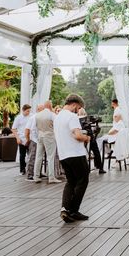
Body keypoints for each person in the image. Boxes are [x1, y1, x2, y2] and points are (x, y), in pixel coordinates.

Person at [55, 94, 91, 223]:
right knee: (83, 181)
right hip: (76, 154)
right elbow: (77, 136)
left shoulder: (57, 118)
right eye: (78, 108)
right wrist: (86, 138)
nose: (78, 110)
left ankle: (64, 209)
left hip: (63, 155)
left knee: (70, 182)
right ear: (74, 104)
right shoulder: (72, 116)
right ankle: (73, 210)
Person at [33, 101, 61, 184]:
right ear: (50, 106)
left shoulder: (37, 115)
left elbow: (35, 127)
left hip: (40, 136)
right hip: (49, 136)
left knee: (38, 156)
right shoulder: (52, 115)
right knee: (50, 157)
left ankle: (36, 176)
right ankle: (51, 177)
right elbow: (57, 125)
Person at [78, 108, 105, 174]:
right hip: (89, 138)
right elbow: (89, 130)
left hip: (81, 139)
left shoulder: (76, 119)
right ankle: (100, 167)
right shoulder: (86, 119)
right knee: (96, 151)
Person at [12, 104, 31, 175]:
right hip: (21, 139)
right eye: (27, 111)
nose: (28, 112)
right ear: (23, 110)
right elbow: (13, 129)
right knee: (22, 155)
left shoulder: (31, 116)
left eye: (29, 111)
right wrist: (17, 138)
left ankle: (30, 169)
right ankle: (22, 170)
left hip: (30, 138)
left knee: (31, 155)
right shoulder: (18, 118)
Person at [25, 104, 42, 181]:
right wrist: (28, 139)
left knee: (39, 157)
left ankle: (38, 173)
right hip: (34, 140)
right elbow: (27, 130)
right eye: (42, 109)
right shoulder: (33, 118)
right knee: (32, 157)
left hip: (40, 139)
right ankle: (29, 174)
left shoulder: (42, 117)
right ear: (38, 109)